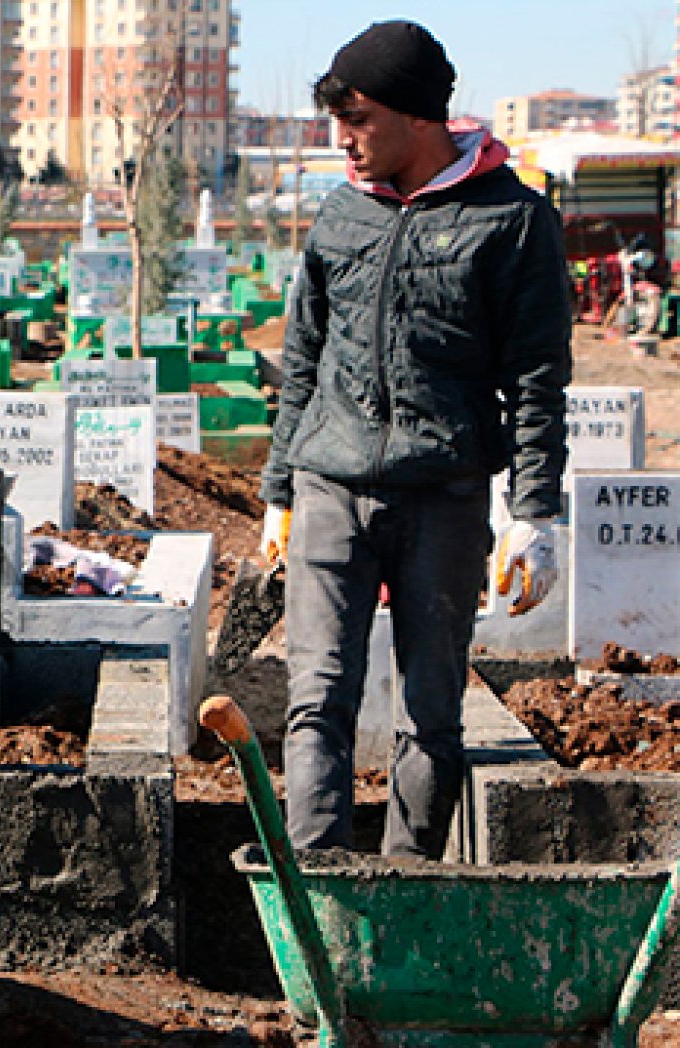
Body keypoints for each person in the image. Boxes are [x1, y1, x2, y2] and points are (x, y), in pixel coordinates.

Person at [259, 20, 570, 861]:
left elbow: (537, 377)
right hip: (329, 485)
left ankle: (403, 887)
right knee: (316, 696)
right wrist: (279, 489)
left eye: (357, 119)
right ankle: (317, 889)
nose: (343, 141)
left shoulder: (510, 220)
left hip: (444, 495)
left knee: (429, 711)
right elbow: (304, 356)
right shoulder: (339, 214)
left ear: (418, 117)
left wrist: (534, 512)